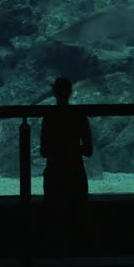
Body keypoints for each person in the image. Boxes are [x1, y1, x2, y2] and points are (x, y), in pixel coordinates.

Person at [39, 76, 93, 252]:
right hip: (75, 171)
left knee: (53, 217)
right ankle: (79, 252)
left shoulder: (48, 117)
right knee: (78, 216)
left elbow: (44, 151)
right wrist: (72, 149)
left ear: (54, 92)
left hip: (54, 171)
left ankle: (54, 253)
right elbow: (88, 150)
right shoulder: (80, 115)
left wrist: (58, 149)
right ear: (71, 92)